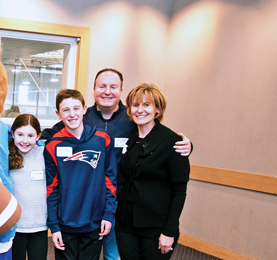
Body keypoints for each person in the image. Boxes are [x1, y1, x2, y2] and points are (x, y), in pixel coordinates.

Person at [41, 68, 192, 260]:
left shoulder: (132, 120)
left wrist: (187, 146)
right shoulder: (81, 115)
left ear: (121, 90)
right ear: (94, 89)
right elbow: (51, 137)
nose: (107, 91)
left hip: (119, 200)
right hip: (92, 206)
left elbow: (161, 141)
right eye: (102, 86)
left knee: (113, 256)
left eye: (113, 87)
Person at [115, 83, 190, 259]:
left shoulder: (172, 142)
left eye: (146, 105)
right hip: (126, 224)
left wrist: (169, 231)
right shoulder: (132, 137)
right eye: (135, 105)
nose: (140, 110)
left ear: (157, 108)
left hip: (157, 226)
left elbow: (179, 192)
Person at [44, 89, 117, 260]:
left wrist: (108, 214)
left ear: (85, 109)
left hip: (94, 222)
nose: (72, 114)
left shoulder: (102, 139)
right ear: (58, 114)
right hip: (65, 225)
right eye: (65, 110)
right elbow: (51, 189)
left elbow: (110, 181)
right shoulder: (52, 145)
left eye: (76, 108)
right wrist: (54, 226)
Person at [9, 114, 48, 260]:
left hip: (40, 226)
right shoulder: (6, 156)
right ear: (12, 134)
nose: (25, 141)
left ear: (38, 136)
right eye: (20, 134)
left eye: (30, 135)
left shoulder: (45, 155)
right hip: (15, 227)